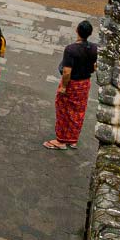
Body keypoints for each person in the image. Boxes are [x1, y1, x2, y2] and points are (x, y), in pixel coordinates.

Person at [47, 20, 98, 150]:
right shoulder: (94, 48)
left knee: (63, 110)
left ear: (77, 31)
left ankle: (62, 140)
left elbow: (66, 71)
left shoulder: (71, 50)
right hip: (84, 84)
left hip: (72, 83)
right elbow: (95, 66)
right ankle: (73, 139)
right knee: (78, 111)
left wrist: (64, 87)